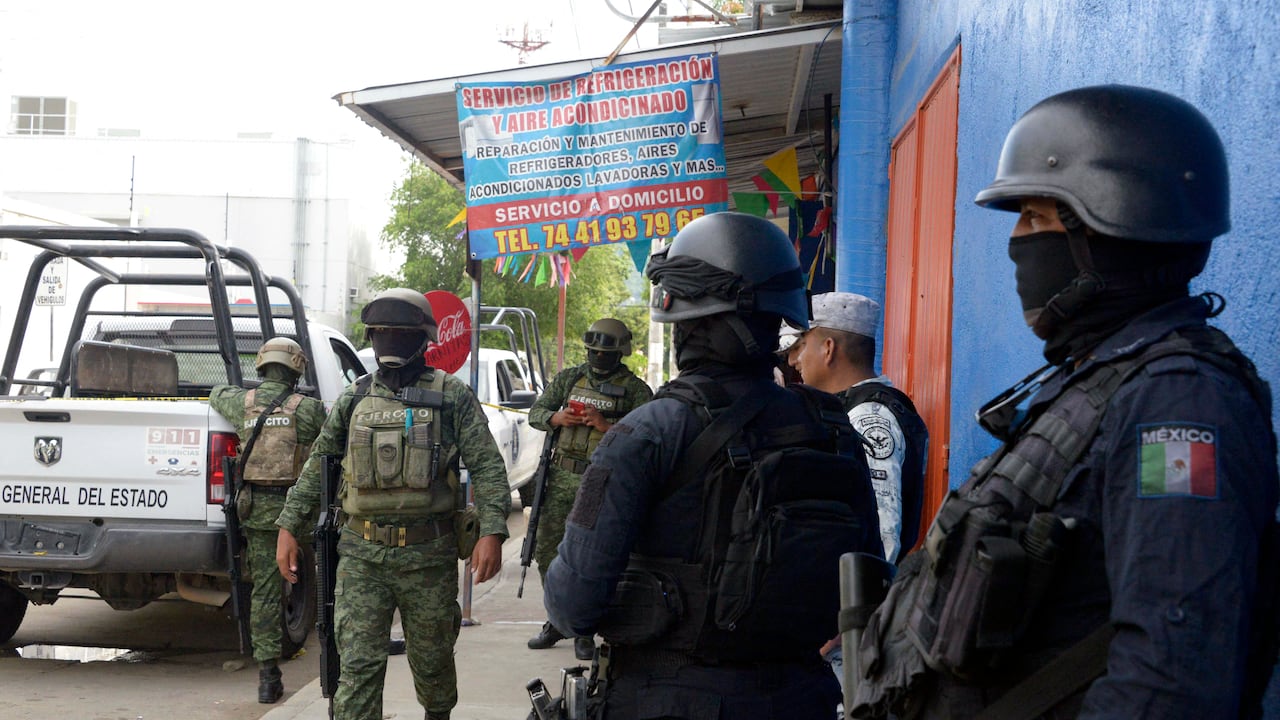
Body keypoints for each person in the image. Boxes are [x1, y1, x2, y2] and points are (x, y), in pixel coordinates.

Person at [852, 85, 1279, 719]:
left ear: (1110, 227)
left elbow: (1172, 677)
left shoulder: (1180, 407)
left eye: (1036, 218)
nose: (1018, 242)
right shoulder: (1094, 379)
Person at [544, 211, 883, 720]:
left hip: (664, 699)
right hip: (804, 699)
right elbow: (869, 580)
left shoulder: (645, 432)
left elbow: (572, 606)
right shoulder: (833, 428)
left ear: (687, 321)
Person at [274, 288, 511, 720]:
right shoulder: (355, 397)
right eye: (380, 333)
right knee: (357, 673)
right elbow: (319, 465)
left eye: (398, 333)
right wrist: (288, 528)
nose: (389, 342)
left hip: (429, 556)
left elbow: (488, 466)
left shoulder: (451, 395)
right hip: (362, 558)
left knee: (434, 669)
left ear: (422, 338)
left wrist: (492, 531)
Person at [525, 318, 653, 661]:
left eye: (604, 352)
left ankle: (583, 629)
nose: (597, 357)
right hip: (559, 478)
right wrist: (558, 418)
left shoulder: (635, 389)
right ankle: (557, 619)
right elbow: (536, 412)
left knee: (592, 558)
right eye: (593, 351)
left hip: (600, 482)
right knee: (548, 552)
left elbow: (647, 438)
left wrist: (605, 426)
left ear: (619, 353)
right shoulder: (570, 378)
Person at [210, 337, 325, 704]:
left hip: (259, 516)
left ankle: (267, 677)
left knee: (265, 592)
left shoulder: (242, 403)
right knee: (325, 582)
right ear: (296, 368)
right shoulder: (309, 410)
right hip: (301, 513)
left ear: (261, 366)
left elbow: (217, 393)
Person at [785, 292, 928, 564]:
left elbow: (883, 535)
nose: (794, 360)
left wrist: (858, 604)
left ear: (828, 348)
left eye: (801, 345)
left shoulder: (870, 416)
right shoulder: (852, 409)